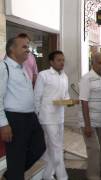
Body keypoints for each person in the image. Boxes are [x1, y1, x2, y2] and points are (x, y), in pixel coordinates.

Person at [0, 36, 46, 180]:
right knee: (16, 157)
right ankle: (14, 174)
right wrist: (3, 124)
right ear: (12, 50)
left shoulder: (22, 68)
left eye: (28, 46)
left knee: (39, 147)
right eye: (24, 47)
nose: (29, 50)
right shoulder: (4, 67)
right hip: (15, 118)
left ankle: (11, 174)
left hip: (29, 117)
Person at [34, 50, 69, 180]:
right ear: (51, 62)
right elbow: (36, 97)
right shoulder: (44, 75)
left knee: (52, 148)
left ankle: (47, 175)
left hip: (60, 116)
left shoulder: (64, 76)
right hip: (47, 117)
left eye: (63, 60)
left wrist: (69, 102)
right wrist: (37, 116)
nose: (62, 62)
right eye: (59, 60)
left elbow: (66, 96)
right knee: (56, 148)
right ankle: (62, 177)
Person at [79, 53, 101, 180]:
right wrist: (87, 125)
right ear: (93, 63)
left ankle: (98, 173)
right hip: (89, 122)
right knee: (94, 149)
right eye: (100, 63)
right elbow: (84, 101)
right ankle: (93, 176)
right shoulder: (87, 78)